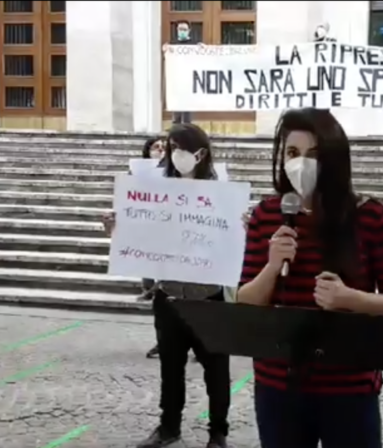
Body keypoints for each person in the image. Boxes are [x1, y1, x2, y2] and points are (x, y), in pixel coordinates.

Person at [237, 108, 383, 448]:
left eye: (314, 155)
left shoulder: (371, 218)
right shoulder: (266, 215)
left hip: (349, 386)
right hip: (278, 383)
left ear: (334, 158)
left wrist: (351, 299)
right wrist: (272, 266)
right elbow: (245, 302)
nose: (301, 163)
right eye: (292, 153)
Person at [105, 125, 232, 448]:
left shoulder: (221, 193)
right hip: (170, 296)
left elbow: (229, 241)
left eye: (180, 147)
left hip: (209, 297)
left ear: (200, 153)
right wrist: (119, 230)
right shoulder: (157, 190)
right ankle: (168, 427)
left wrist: (240, 226)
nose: (174, 154)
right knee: (170, 369)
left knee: (216, 371)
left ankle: (218, 432)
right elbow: (142, 234)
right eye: (171, 147)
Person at [136, 136, 165, 359]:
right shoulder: (137, 174)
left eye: (164, 147)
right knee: (160, 301)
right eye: (156, 147)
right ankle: (162, 340)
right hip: (149, 238)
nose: (160, 151)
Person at [162, 20, 199, 125]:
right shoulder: (172, 45)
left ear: (189, 31)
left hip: (189, 80)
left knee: (187, 109)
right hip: (176, 80)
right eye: (180, 29)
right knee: (176, 108)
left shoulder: (194, 44)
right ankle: (175, 129)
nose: (182, 31)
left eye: (184, 29)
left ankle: (187, 129)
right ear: (177, 30)